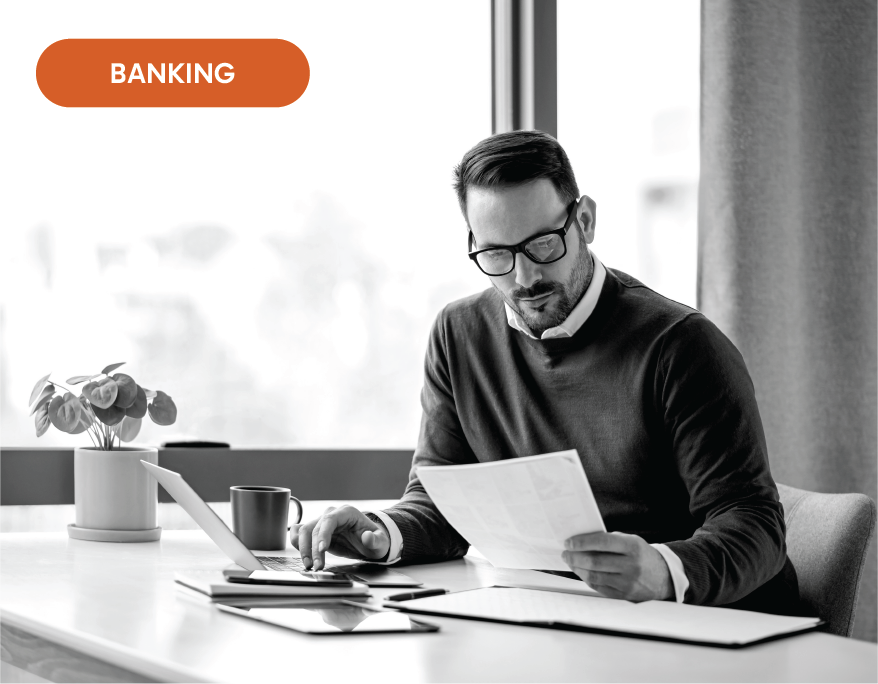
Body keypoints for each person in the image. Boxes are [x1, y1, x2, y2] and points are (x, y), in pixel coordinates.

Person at [291, 130, 800, 613]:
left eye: (541, 245)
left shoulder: (682, 346)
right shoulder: (459, 334)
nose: (524, 276)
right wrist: (379, 533)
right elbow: (441, 501)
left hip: (713, 628)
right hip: (562, 617)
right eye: (496, 254)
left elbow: (754, 526)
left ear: (585, 222)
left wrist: (663, 570)